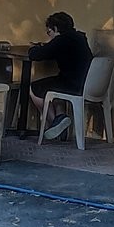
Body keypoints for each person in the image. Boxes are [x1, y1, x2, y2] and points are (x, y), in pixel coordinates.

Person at [28, 11, 94, 140]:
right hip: (86, 83)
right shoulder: (79, 37)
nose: (49, 36)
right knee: (55, 88)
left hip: (73, 84)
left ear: (56, 29)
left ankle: (55, 124)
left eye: (49, 32)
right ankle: (61, 119)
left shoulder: (61, 40)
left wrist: (33, 48)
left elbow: (37, 55)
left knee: (33, 88)